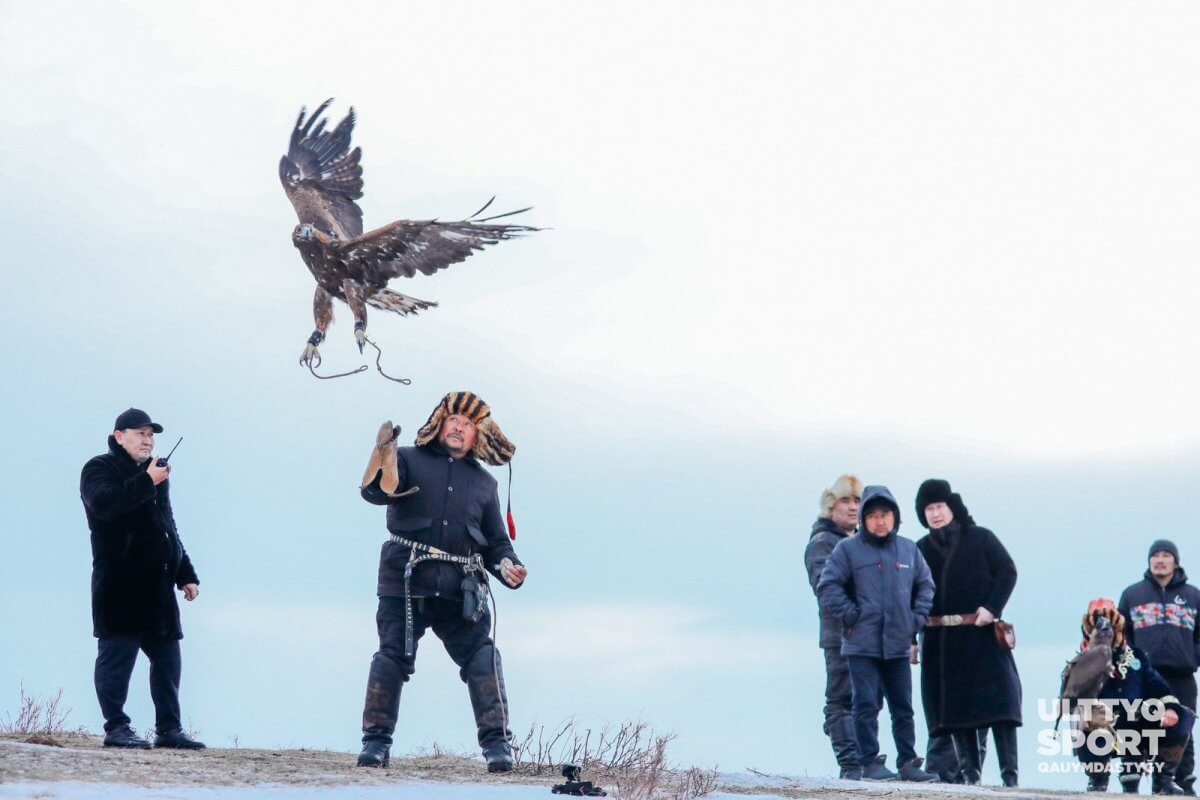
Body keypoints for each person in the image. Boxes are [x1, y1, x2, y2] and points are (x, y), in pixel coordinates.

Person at [356, 392, 527, 773]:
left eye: (468, 425)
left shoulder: (485, 485)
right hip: (404, 581)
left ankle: (498, 746)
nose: (459, 428)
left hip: (458, 589)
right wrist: (381, 454)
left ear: (477, 436)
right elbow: (373, 493)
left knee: (483, 655)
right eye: (454, 420)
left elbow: (497, 542)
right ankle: (375, 744)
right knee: (391, 656)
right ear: (439, 423)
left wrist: (508, 566)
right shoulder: (407, 460)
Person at [79, 408, 204, 750]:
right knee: (116, 661)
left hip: (158, 588)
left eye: (151, 434)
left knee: (168, 663)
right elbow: (105, 504)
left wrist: (185, 574)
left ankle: (169, 730)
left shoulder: (156, 473)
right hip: (119, 586)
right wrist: (147, 480)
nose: (148, 440)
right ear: (120, 436)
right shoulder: (98, 468)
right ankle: (116, 728)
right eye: (140, 433)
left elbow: (167, 525)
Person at [818, 485, 938, 782]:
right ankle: (868, 762)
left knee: (903, 707)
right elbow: (828, 586)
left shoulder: (909, 549)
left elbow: (926, 585)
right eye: (872, 515)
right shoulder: (847, 549)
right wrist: (852, 615)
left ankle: (909, 762)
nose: (879, 521)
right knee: (865, 704)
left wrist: (916, 618)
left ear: (895, 517)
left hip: (898, 642)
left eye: (885, 515)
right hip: (861, 643)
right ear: (863, 519)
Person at [913, 479, 1021, 786]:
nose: (935, 513)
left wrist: (992, 607)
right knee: (955, 713)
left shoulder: (980, 537)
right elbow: (909, 594)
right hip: (941, 641)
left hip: (981, 633)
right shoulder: (919, 549)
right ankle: (971, 777)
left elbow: (1007, 571)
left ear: (952, 508)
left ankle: (1010, 778)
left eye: (939, 506)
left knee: (999, 708)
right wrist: (911, 638)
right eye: (929, 508)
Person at [1074, 600, 1194, 795]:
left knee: (1184, 715)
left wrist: (1170, 710)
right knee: (1089, 721)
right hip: (1103, 731)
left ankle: (1162, 781)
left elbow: (1161, 689)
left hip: (1136, 726)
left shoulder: (1137, 658)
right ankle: (1097, 779)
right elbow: (1070, 700)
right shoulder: (1081, 663)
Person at [1120, 541, 1200, 795]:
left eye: (1166, 555)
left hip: (1182, 675)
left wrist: (1193, 656)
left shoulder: (1193, 596)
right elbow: (1122, 636)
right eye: (1155, 555)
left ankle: (1181, 785)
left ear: (1175, 562)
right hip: (1145, 677)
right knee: (1135, 727)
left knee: (1183, 729)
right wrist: (1130, 665)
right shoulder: (1132, 594)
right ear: (1149, 561)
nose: (1160, 560)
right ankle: (1130, 783)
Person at [805, 475, 864, 779]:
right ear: (831, 505)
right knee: (841, 699)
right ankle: (851, 764)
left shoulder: (862, 542)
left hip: (867, 635)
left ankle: (861, 757)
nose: (853, 507)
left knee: (864, 699)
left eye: (857, 500)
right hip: (840, 634)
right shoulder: (823, 542)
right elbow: (825, 588)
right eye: (846, 500)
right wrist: (856, 613)